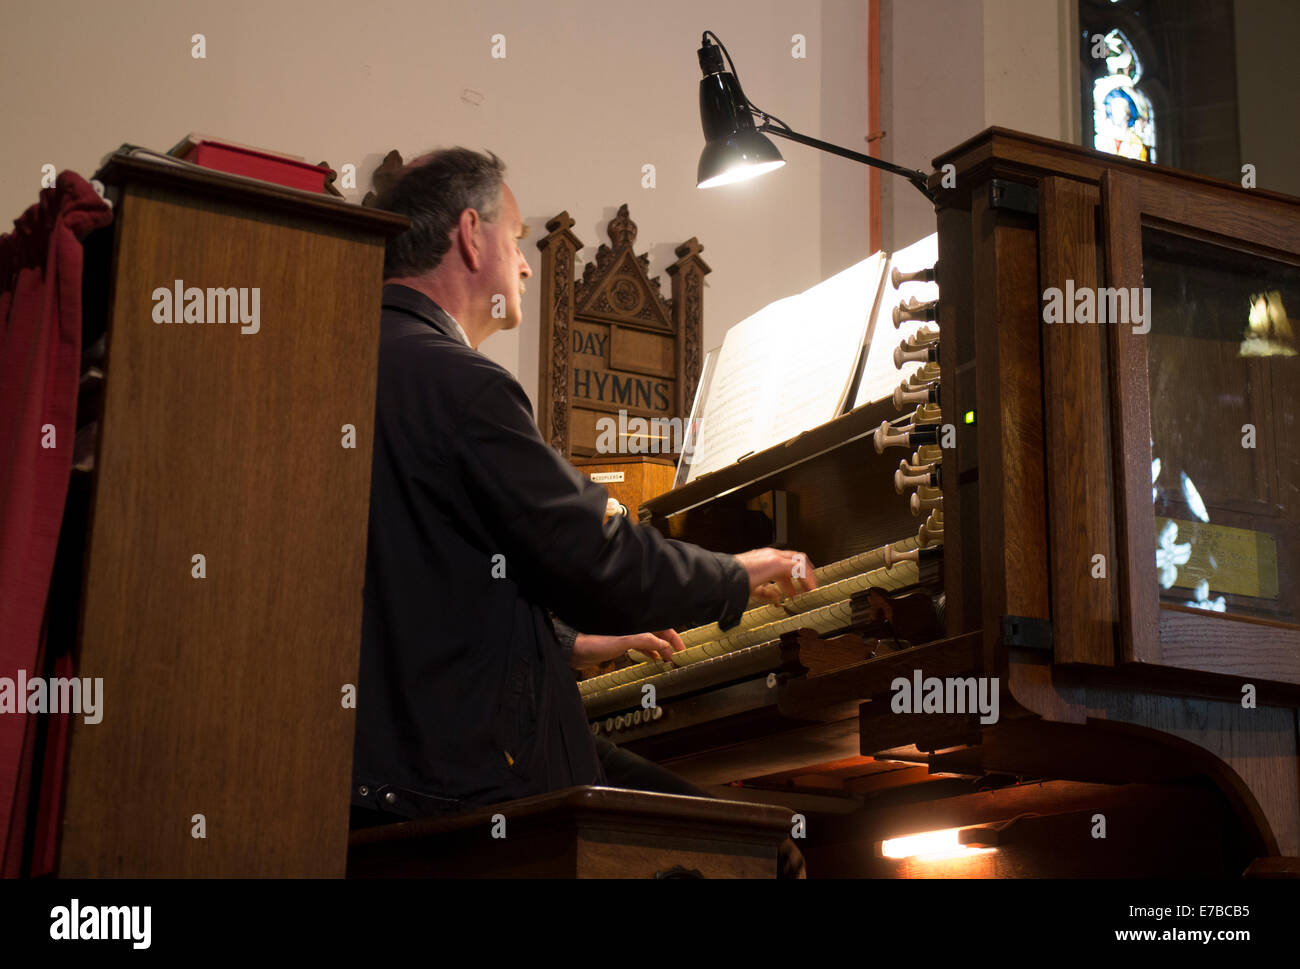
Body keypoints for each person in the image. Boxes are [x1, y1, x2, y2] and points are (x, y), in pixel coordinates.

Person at [350, 147, 814, 874]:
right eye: (515, 236)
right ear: (470, 236)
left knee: (730, 822)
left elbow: (425, 577)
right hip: (469, 790)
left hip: (398, 774)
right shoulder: (465, 385)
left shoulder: (352, 357)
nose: (527, 263)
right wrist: (735, 573)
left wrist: (565, 641)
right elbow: (603, 556)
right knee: (770, 849)